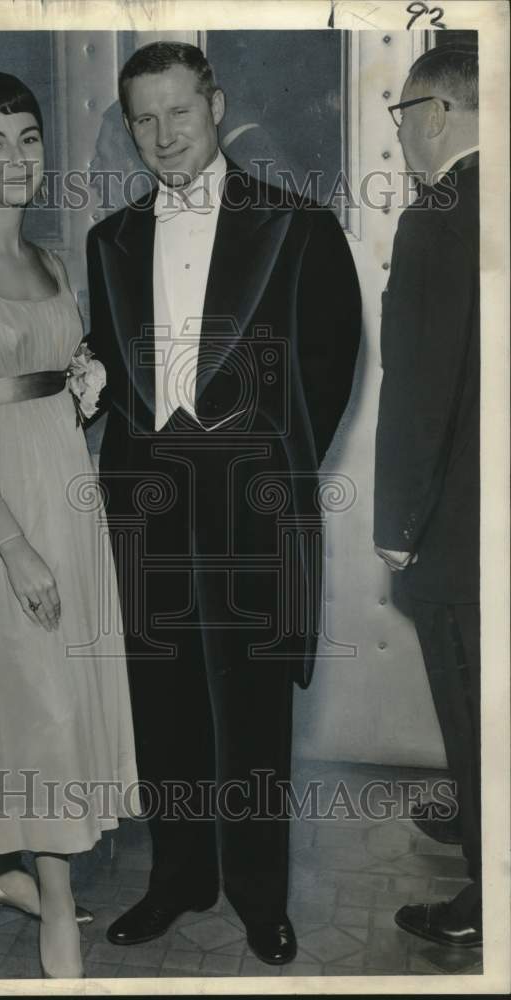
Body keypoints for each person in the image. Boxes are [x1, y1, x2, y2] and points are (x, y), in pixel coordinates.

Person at [86, 42, 361, 965]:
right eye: (144, 119)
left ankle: (257, 895)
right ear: (128, 127)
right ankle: (177, 881)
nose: (164, 136)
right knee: (161, 703)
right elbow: (118, 373)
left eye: (179, 113)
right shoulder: (109, 238)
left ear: (216, 105)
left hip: (253, 504)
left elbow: (329, 368)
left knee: (251, 712)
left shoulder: (297, 225)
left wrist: (272, 476)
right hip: (146, 506)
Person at [0, 71, 139, 980]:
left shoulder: (52, 259)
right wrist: (16, 550)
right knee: (37, 707)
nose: (16, 158)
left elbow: (54, 378)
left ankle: (17, 877)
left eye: (29, 138)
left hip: (67, 500)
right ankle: (57, 925)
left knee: (63, 701)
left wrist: (84, 390)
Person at [374, 45, 481, 948]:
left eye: (401, 112)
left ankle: (490, 898)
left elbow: (419, 387)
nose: (401, 133)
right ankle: (484, 820)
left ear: (436, 112)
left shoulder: (440, 212)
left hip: (460, 525)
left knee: (475, 710)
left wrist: (396, 527)